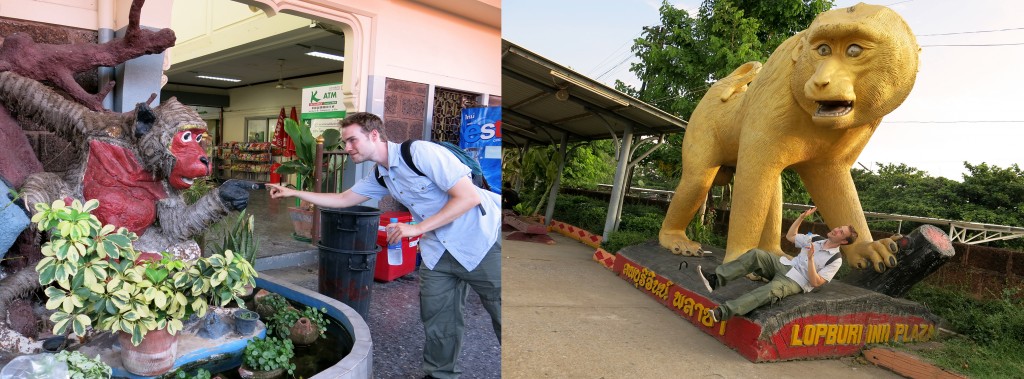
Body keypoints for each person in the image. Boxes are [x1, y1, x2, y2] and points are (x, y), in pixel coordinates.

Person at [267, 112, 501, 379]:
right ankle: (441, 375)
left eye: (352, 140)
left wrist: (417, 228)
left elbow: (468, 197)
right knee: (438, 317)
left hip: (480, 241)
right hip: (439, 251)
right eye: (345, 142)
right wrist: (294, 192)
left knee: (501, 311)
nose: (347, 148)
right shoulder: (381, 174)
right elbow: (344, 199)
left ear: (374, 135)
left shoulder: (420, 153)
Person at [697, 207, 857, 322]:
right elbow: (790, 236)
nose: (836, 230)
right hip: (784, 265)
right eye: (838, 227)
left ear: (843, 241)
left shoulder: (835, 260)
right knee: (756, 254)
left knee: (769, 291)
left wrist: (810, 259)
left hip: (796, 281)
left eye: (841, 232)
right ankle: (715, 280)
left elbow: (815, 283)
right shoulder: (815, 238)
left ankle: (723, 312)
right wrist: (801, 218)